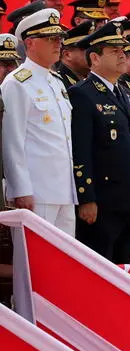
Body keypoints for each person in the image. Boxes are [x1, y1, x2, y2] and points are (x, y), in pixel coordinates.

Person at [70, 21, 130, 263]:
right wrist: (87, 198)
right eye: (114, 51)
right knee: (99, 269)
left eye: (123, 50)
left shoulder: (124, 92)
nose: (122, 55)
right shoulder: (82, 93)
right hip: (101, 204)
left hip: (127, 200)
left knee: (122, 270)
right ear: (95, 58)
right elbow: (80, 150)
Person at [2, 9, 76, 235]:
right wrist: (20, 189)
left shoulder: (57, 81)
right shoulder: (16, 83)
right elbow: (11, 141)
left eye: (60, 38)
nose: (58, 44)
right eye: (51, 39)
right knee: (33, 264)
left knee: (63, 262)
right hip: (37, 191)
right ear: (30, 43)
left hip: (64, 189)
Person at [55, 20, 95, 89]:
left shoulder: (91, 81)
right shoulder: (58, 83)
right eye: (87, 49)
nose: (93, 53)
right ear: (67, 54)